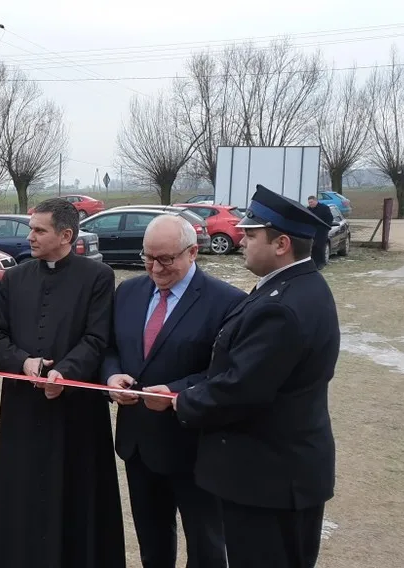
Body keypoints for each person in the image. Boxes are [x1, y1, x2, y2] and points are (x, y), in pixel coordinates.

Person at [171, 185, 338, 568]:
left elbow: (241, 389)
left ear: (281, 244)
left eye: (250, 234)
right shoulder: (292, 287)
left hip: (269, 481)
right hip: (273, 475)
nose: (241, 241)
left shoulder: (283, 307)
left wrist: (181, 400)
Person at [0, 197, 125, 567]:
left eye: (39, 230)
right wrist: (23, 362)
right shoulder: (14, 278)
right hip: (22, 408)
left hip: (74, 408)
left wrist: (66, 372)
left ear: (66, 235)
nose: (30, 236)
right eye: (31, 228)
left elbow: (97, 338)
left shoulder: (97, 277)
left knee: (74, 491)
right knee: (22, 492)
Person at [101, 215, 244, 568]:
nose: (155, 267)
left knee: (207, 544)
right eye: (148, 257)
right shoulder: (129, 291)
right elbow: (110, 348)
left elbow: (225, 373)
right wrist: (112, 377)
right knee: (152, 541)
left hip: (195, 445)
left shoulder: (227, 302)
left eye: (166, 259)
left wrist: (176, 392)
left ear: (193, 252)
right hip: (138, 443)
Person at [305, 196, 334, 270]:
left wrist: (326, 227)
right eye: (309, 202)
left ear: (316, 201)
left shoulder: (324, 208)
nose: (310, 204)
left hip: (322, 231)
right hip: (312, 231)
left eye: (311, 202)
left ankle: (321, 263)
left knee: (320, 247)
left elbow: (330, 219)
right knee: (313, 248)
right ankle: (313, 263)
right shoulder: (309, 209)